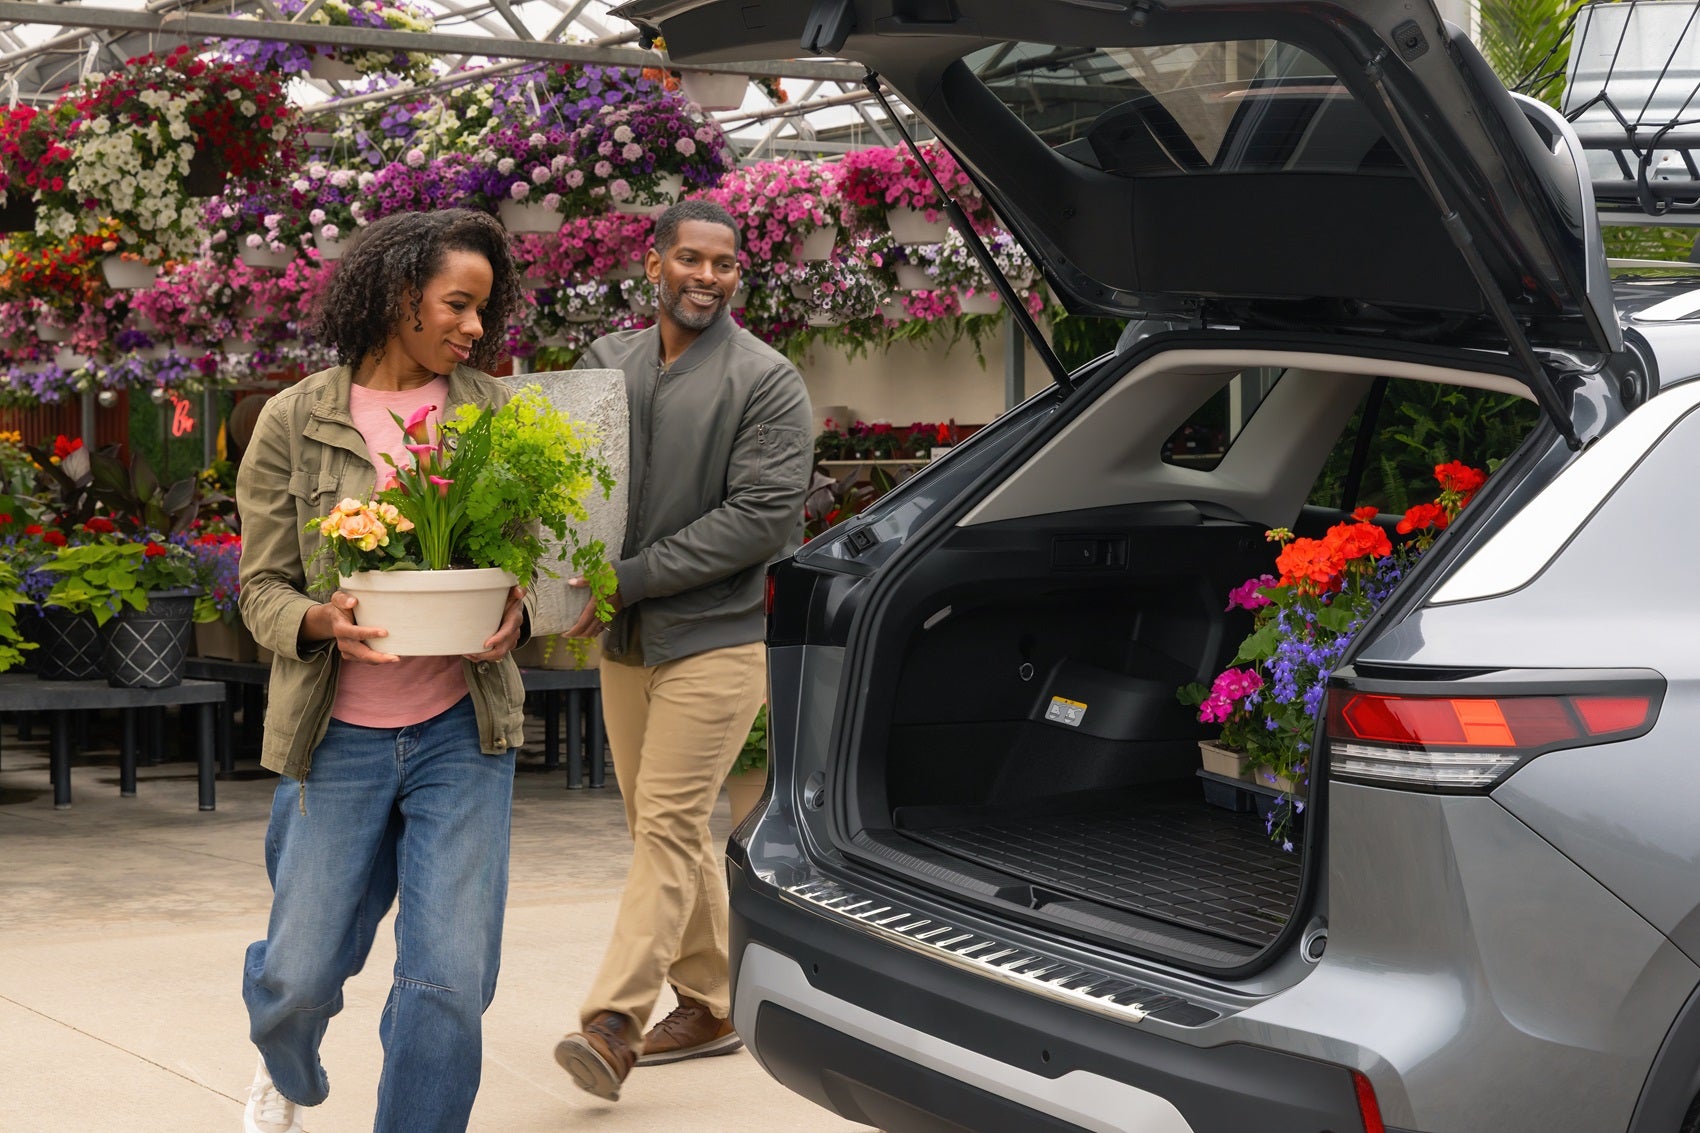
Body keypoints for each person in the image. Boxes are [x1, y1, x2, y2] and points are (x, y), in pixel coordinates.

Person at [235, 209, 532, 1133]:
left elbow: (536, 563)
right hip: (335, 736)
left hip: (461, 730)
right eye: (457, 304)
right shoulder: (295, 418)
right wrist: (320, 619)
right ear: (401, 295)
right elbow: (260, 589)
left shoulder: (494, 416)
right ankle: (283, 1059)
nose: (474, 327)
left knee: (450, 980)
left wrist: (522, 611)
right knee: (300, 973)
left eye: (482, 309)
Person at [552, 198, 812, 1101]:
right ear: (653, 262)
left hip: (717, 637)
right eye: (691, 259)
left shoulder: (766, 379)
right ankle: (712, 1000)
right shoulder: (606, 363)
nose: (707, 276)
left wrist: (626, 578)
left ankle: (612, 1022)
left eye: (724, 263)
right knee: (660, 827)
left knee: (666, 825)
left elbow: (759, 519)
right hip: (626, 641)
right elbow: (574, 484)